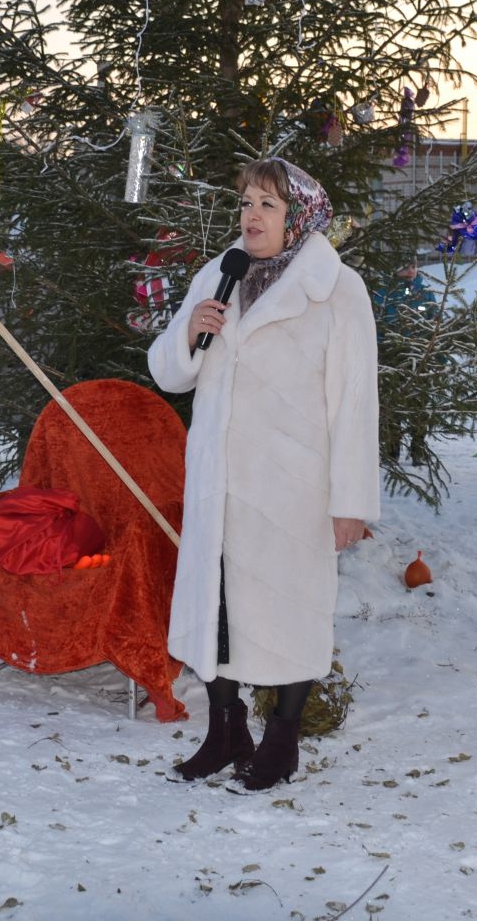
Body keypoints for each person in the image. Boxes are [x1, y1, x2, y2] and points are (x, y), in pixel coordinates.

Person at [148, 158, 379, 791]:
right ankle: (225, 730)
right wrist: (188, 333)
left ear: (299, 216)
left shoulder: (336, 290)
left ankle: (282, 736)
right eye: (246, 201)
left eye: (268, 205)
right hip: (218, 478)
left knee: (293, 608)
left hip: (293, 485)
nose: (251, 215)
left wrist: (350, 500)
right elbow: (171, 372)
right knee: (218, 604)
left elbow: (355, 402)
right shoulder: (219, 274)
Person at [375, 260, 437, 466]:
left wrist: (435, 356)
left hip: (419, 359)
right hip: (392, 357)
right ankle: (392, 448)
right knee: (392, 404)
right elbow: (376, 324)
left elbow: (434, 325)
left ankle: (418, 448)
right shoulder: (384, 292)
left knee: (419, 405)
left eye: (413, 266)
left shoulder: (425, 292)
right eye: (404, 266)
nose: (410, 271)